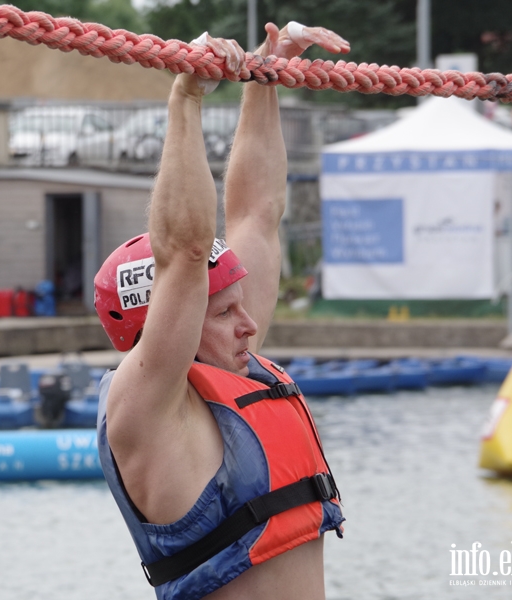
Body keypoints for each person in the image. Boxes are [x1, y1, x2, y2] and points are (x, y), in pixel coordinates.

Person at [95, 22, 348, 600]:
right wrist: (186, 98)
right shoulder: (142, 408)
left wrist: (265, 76)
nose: (251, 323)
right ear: (161, 324)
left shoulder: (234, 366)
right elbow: (184, 253)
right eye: (222, 312)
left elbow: (257, 212)